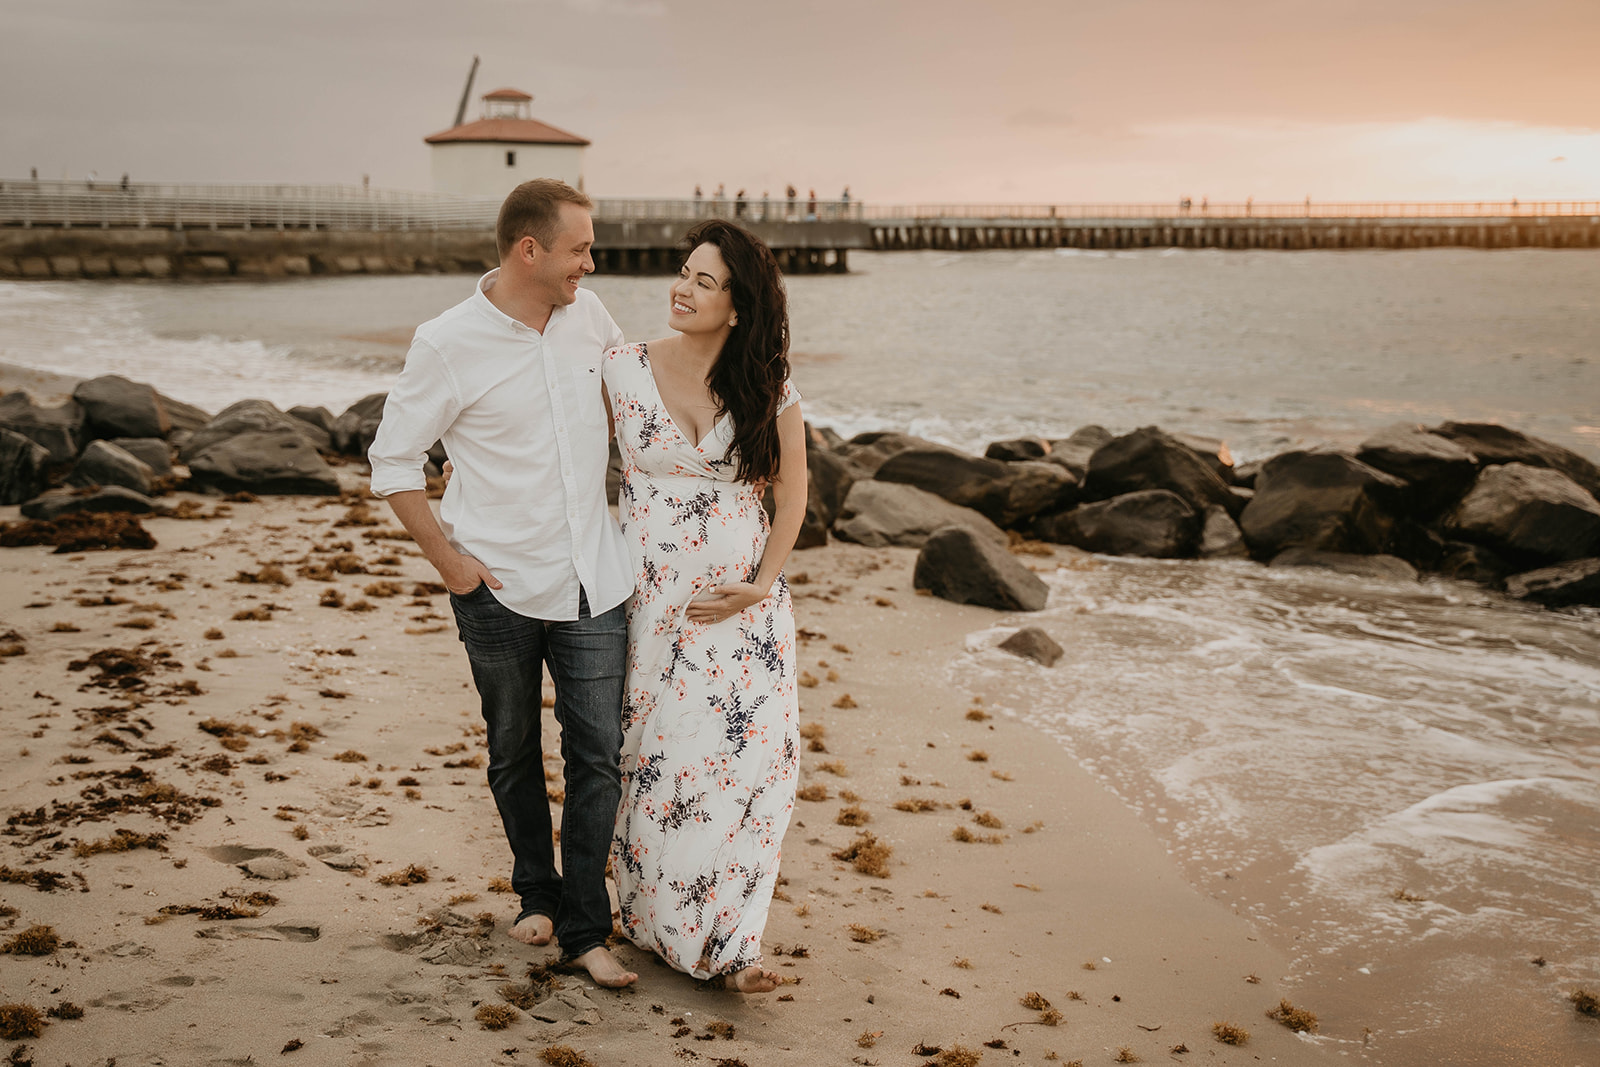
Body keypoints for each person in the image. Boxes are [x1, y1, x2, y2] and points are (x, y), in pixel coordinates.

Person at [367, 178, 639, 989]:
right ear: (530, 249)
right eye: (580, 247)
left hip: (596, 578)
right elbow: (391, 462)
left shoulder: (590, 315)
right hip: (497, 587)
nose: (593, 261)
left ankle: (588, 928)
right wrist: (452, 566)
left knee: (598, 756)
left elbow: (638, 411)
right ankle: (537, 891)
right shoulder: (448, 341)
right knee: (513, 749)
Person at [604, 219, 807, 995]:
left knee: (746, 765)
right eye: (683, 273)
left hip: (743, 607)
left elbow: (794, 490)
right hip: (650, 599)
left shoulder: (767, 381)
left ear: (738, 303)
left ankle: (731, 942)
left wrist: (762, 580)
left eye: (705, 281)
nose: (682, 290)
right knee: (656, 761)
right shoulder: (621, 368)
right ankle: (657, 923)